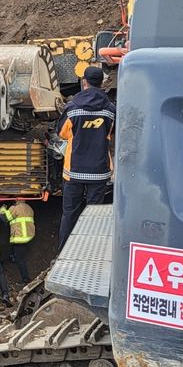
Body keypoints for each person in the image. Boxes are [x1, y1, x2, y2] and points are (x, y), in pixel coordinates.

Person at [56, 66, 115, 251]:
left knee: (69, 215)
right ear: (102, 84)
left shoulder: (72, 108)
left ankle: (63, 254)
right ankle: (90, 253)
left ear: (84, 82)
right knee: (93, 217)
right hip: (98, 173)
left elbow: (62, 134)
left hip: (73, 172)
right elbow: (111, 134)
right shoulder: (110, 110)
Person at [0, 199, 35, 283]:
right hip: (27, 236)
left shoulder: (15, 208)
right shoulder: (29, 208)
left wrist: (3, 208)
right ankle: (11, 257)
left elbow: (5, 218)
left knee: (20, 258)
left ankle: (25, 278)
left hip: (19, 237)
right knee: (16, 251)